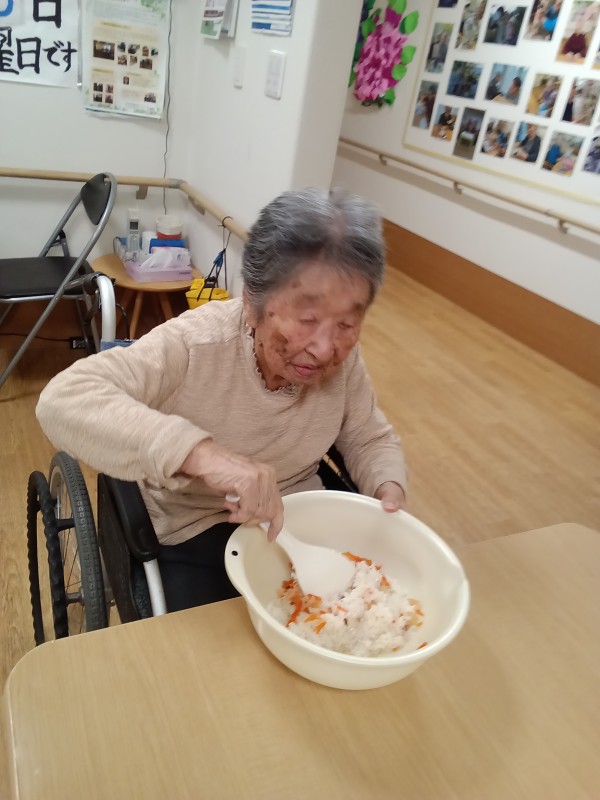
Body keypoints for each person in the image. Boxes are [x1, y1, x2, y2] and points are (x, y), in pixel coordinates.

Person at [36, 188, 407, 612]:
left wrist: (388, 491)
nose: (325, 350)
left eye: (346, 324)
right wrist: (205, 456)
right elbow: (62, 399)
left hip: (302, 517)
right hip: (193, 527)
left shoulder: (344, 360)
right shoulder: (194, 344)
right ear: (251, 303)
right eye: (307, 319)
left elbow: (368, 437)